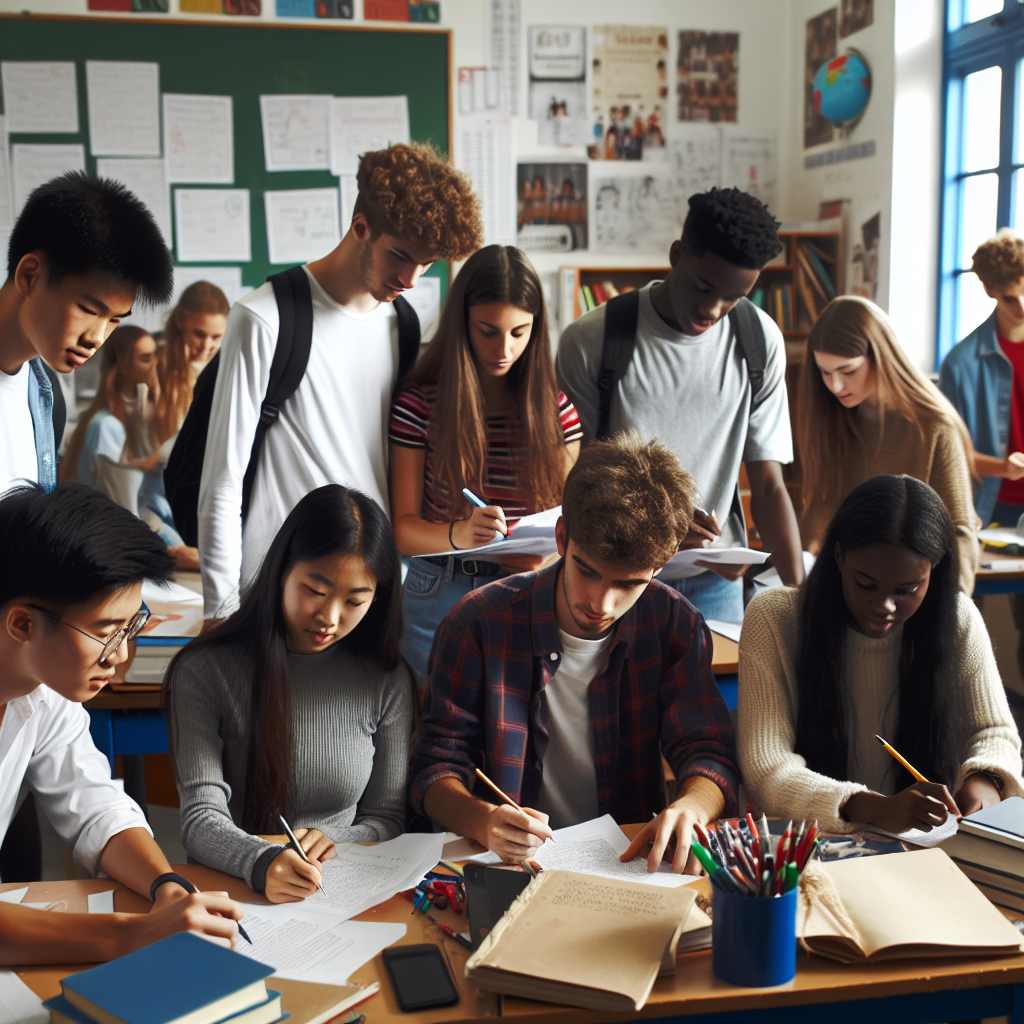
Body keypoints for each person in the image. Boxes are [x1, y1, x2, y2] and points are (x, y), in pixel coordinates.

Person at [409, 432, 738, 874]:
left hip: (622, 867)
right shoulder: (477, 625)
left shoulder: (674, 624)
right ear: (562, 537)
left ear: (660, 566)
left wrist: (692, 806)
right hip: (507, 870)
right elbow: (433, 769)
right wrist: (481, 820)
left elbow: (709, 750)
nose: (601, 603)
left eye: (629, 584)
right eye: (589, 572)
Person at [199, 144, 483, 622]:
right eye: (400, 256)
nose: (410, 279)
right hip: (277, 592)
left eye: (426, 264)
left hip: (368, 599)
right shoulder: (265, 317)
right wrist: (220, 614)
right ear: (360, 227)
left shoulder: (403, 324)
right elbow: (222, 482)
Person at [0, 483, 243, 964]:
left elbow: (95, 806)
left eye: (131, 627)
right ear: (23, 624)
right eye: (107, 632)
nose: (121, 657)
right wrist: (132, 936)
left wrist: (166, 884)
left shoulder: (44, 694)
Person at [556, 188, 804, 626]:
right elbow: (574, 481)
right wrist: (662, 523)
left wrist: (802, 601)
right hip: (615, 579)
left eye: (733, 297)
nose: (712, 309)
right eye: (703, 287)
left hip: (716, 584)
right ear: (676, 255)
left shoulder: (758, 341)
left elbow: (769, 488)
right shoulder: (593, 339)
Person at [738, 474, 1023, 835]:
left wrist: (985, 780)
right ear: (839, 556)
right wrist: (871, 807)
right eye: (866, 584)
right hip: (813, 844)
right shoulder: (775, 618)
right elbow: (767, 767)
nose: (884, 606)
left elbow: (994, 731)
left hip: (926, 846)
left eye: (907, 589)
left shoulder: (957, 617)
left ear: (933, 571)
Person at [169, 485, 413, 902]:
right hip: (236, 890)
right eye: (315, 591)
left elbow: (387, 818)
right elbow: (200, 819)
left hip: (337, 890)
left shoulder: (386, 678)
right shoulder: (206, 669)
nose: (329, 617)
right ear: (282, 570)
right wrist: (262, 860)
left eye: (355, 601)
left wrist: (336, 838)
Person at [389, 245, 582, 684]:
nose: (504, 348)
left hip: (531, 594)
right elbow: (403, 529)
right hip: (441, 590)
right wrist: (459, 534)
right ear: (462, 323)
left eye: (519, 332)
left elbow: (573, 523)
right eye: (488, 331)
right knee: (432, 722)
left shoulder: (558, 413)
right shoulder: (419, 406)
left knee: (521, 724)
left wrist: (545, 559)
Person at [0, 172, 172, 495]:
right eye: (89, 310)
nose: (97, 338)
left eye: (115, 320)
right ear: (30, 276)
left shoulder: (47, 399)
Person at [800, 296, 978, 593]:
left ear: (882, 357)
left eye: (848, 371)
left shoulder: (934, 427)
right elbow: (818, 520)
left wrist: (948, 609)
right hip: (844, 595)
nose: (836, 386)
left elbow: (960, 532)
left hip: (913, 597)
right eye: (826, 372)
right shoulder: (831, 419)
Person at [940, 231, 1024, 677]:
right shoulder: (961, 363)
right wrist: (1004, 467)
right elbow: (952, 453)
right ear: (991, 291)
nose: (1022, 306)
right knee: (962, 626)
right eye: (1011, 298)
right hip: (987, 509)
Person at [60, 327, 196, 567]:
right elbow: (116, 500)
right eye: (146, 358)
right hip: (118, 528)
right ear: (123, 366)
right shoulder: (107, 424)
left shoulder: (137, 414)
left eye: (156, 356)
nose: (155, 365)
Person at [154, 281, 230, 448]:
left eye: (216, 337)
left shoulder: (226, 368)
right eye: (199, 335)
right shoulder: (155, 363)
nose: (207, 346)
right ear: (180, 321)